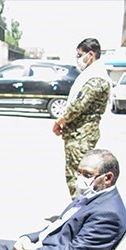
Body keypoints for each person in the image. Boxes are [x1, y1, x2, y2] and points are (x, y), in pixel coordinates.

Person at [53, 38, 111, 197]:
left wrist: (59, 122)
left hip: (81, 136)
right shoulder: (93, 75)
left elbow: (78, 106)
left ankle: (81, 209)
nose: (78, 59)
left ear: (90, 54)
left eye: (80, 55)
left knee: (79, 179)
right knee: (78, 177)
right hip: (79, 134)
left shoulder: (96, 78)